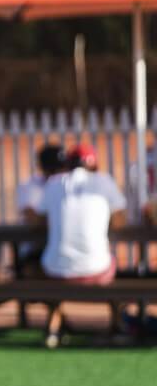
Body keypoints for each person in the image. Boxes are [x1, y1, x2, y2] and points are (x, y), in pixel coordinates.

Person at [32, 142, 126, 348]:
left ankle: (53, 329)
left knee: (46, 266)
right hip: (97, 271)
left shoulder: (54, 183)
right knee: (110, 263)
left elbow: (39, 220)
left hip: (55, 271)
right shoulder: (104, 182)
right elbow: (120, 220)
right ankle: (118, 326)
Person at [15, 144, 67, 276]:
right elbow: (32, 218)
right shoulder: (30, 186)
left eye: (60, 168)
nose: (57, 173)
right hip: (38, 250)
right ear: (42, 167)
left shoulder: (69, 184)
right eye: (53, 169)